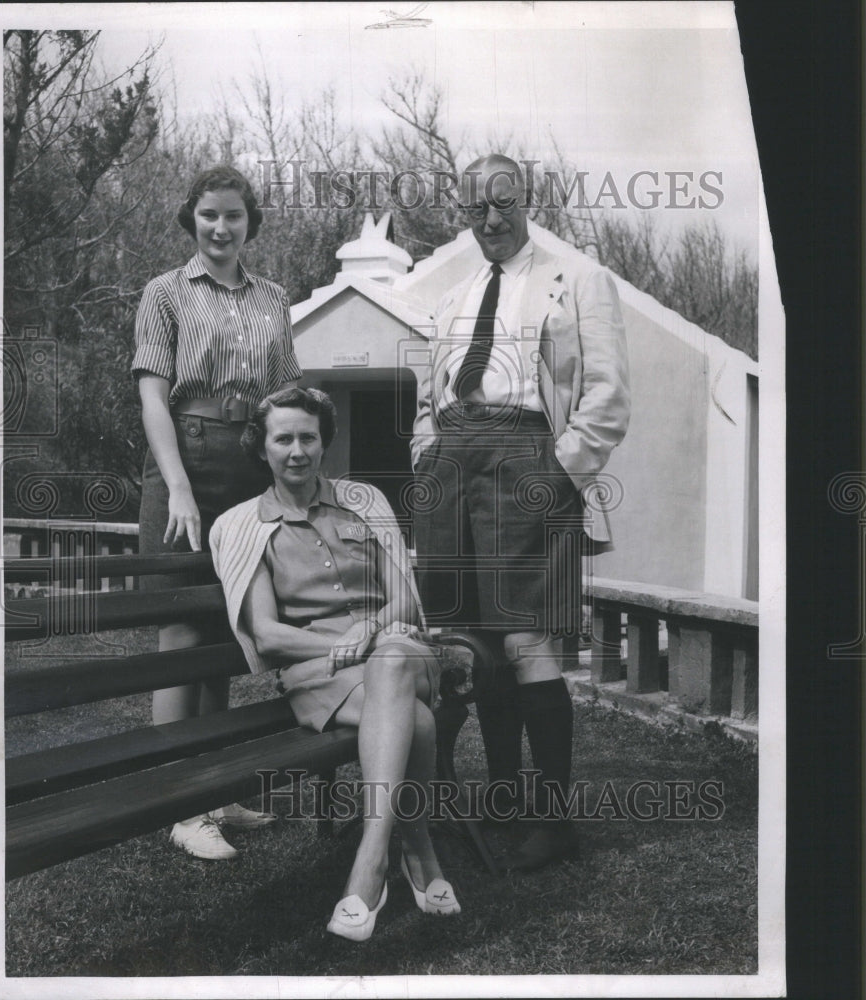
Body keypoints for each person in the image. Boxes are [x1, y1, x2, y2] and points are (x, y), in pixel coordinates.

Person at [412, 154, 631, 872]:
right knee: (471, 641)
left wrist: (557, 474)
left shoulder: (578, 281)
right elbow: (428, 396)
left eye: (503, 203)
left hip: (526, 460)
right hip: (453, 469)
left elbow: (606, 397)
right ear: (462, 212)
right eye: (476, 208)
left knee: (527, 642)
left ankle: (555, 818)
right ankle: (502, 797)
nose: (492, 219)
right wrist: (427, 456)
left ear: (526, 200)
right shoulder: (452, 295)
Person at [209, 387, 460, 941]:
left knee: (393, 658)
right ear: (262, 447)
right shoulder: (243, 526)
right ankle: (417, 848)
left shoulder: (364, 501)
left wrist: (368, 631)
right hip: (321, 676)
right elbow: (268, 635)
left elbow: (403, 597)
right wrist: (339, 649)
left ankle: (369, 861)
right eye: (283, 439)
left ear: (324, 442)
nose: (297, 450)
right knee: (414, 721)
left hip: (399, 647)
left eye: (308, 437)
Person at [132, 165, 302, 860]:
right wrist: (176, 486)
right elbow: (152, 396)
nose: (221, 227)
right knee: (179, 630)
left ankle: (216, 790)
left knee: (229, 633)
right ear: (191, 219)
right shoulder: (163, 294)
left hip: (248, 464)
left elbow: (287, 396)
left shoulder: (274, 299)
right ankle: (178, 806)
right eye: (208, 215)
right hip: (185, 459)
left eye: (233, 215)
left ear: (249, 223)